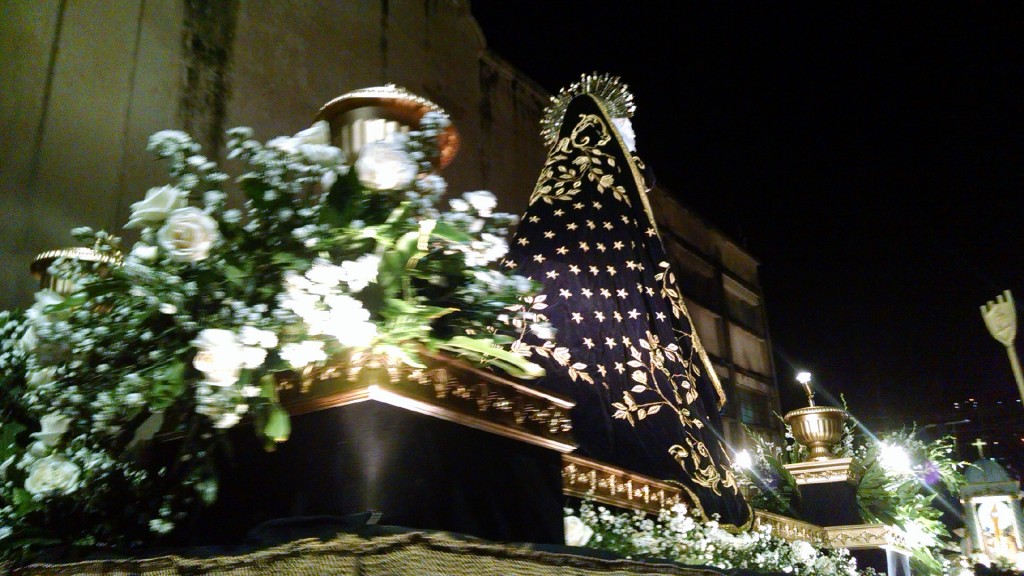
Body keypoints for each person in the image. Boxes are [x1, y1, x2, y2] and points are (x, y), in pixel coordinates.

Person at [503, 73, 751, 530]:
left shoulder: (623, 228)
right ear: (602, 145)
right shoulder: (563, 226)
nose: (639, 167)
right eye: (625, 140)